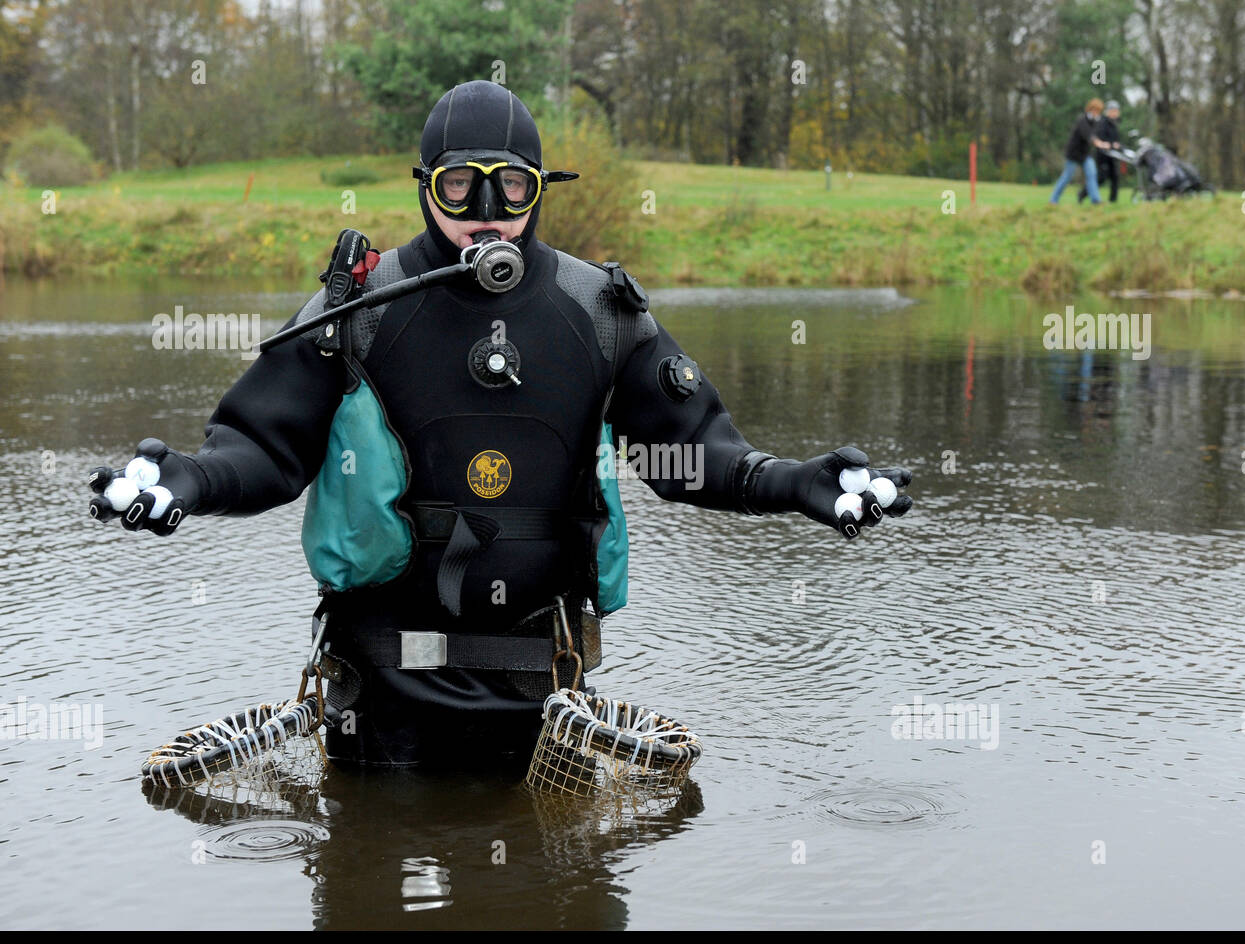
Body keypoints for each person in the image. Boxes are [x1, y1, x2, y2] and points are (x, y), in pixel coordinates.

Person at [87, 80, 913, 769]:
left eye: (511, 186)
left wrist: (798, 482)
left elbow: (696, 454)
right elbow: (262, 449)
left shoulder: (600, 313)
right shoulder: (359, 313)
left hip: (544, 696)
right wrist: (184, 482)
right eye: (460, 186)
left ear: (541, 189)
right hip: (382, 695)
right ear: (425, 187)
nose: (487, 212)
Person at [1049, 98, 1104, 205]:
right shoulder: (1082, 119)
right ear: (1090, 109)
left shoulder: (1096, 122)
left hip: (1085, 154)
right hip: (1074, 153)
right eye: (1094, 110)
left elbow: (1096, 135)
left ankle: (1096, 200)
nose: (1096, 113)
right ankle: (1053, 200)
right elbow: (1088, 135)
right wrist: (1098, 143)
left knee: (1092, 174)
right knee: (1067, 177)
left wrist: (1103, 142)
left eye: (1098, 111)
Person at [1079, 100, 1122, 203]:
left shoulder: (1115, 124)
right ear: (1107, 112)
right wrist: (1111, 144)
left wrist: (1118, 145)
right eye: (1112, 111)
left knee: (1115, 177)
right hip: (1103, 155)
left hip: (1113, 155)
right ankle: (1083, 193)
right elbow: (1100, 139)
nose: (1114, 113)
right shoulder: (1102, 123)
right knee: (1101, 178)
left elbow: (1116, 139)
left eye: (1116, 111)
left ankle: (1113, 201)